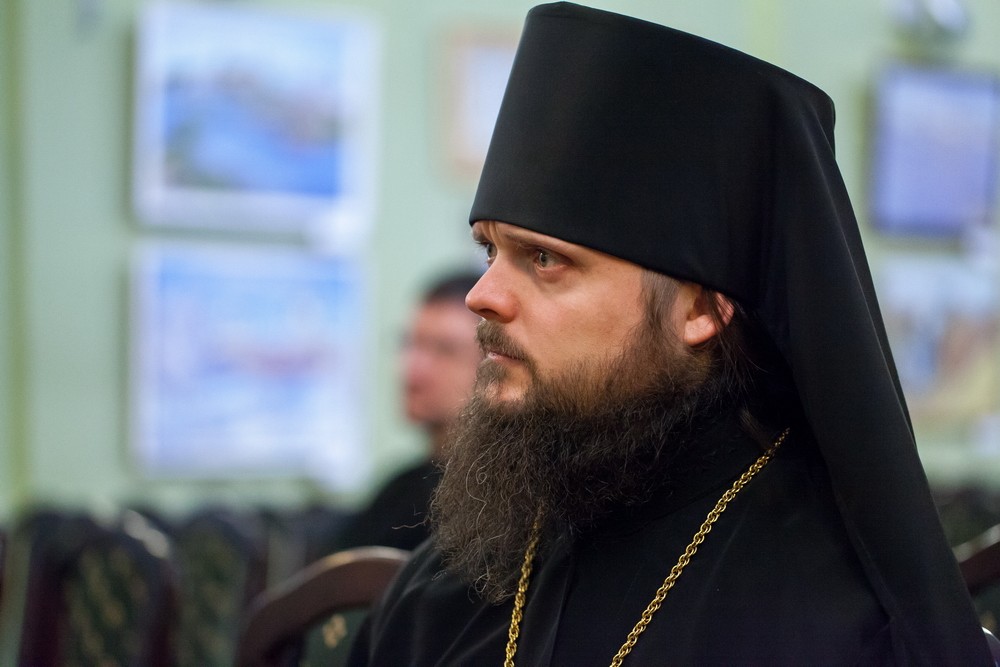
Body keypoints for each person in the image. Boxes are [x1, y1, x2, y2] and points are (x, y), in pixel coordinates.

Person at [349, 3, 993, 665]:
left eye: (543, 258)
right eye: (490, 250)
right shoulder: (439, 594)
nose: (482, 295)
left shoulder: (833, 624)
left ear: (701, 310)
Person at [329, 270, 482, 551]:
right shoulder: (401, 491)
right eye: (410, 344)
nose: (413, 369)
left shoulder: (492, 507)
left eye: (445, 350)